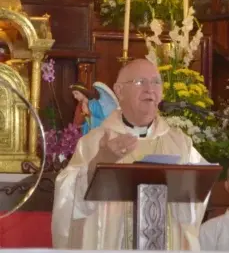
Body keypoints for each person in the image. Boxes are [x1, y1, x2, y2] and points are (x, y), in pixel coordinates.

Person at [52, 59, 209, 250]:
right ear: (119, 91)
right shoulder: (93, 142)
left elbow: (197, 199)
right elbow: (66, 200)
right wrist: (100, 163)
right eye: (140, 82)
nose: (150, 89)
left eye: (156, 82)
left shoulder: (180, 143)